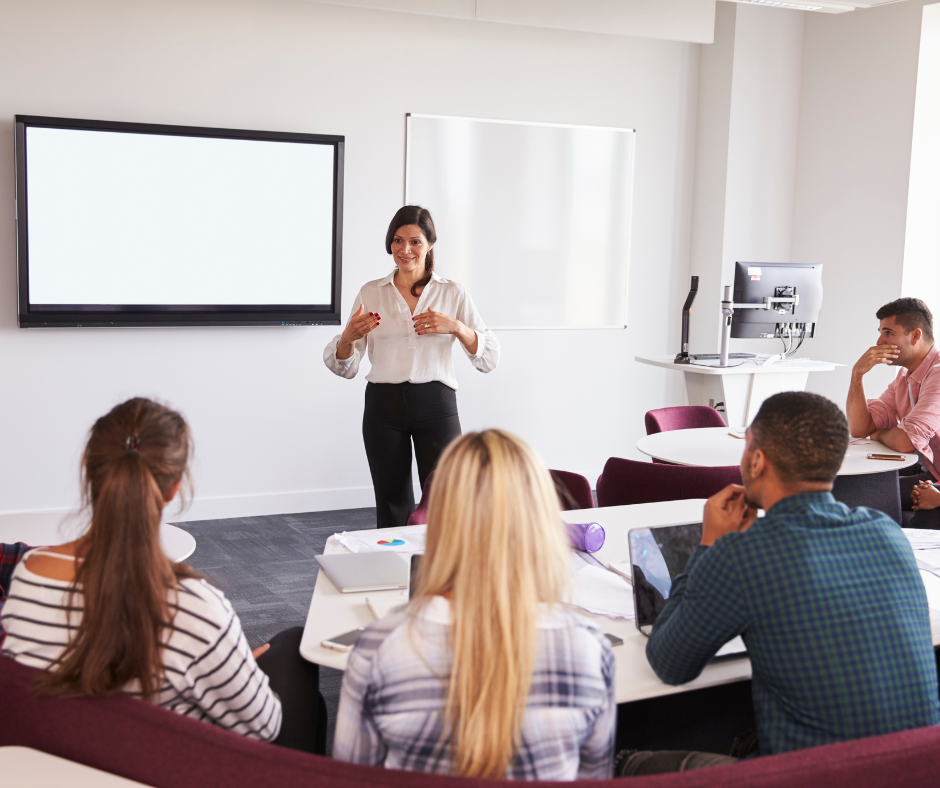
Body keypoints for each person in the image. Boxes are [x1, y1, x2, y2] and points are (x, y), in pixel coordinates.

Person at [619, 391, 940, 775]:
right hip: (917, 768)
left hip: (811, 776)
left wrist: (710, 546)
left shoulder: (742, 554)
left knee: (628, 757)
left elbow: (669, 664)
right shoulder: (886, 533)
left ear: (756, 460)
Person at [1, 398, 325, 754]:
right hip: (163, 765)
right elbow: (264, 727)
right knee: (295, 647)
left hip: (58, 759)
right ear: (174, 488)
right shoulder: (195, 606)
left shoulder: (28, 574)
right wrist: (235, 662)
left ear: (88, 470)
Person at [333, 430, 616, 780]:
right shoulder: (590, 649)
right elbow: (593, 777)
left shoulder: (379, 648)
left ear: (439, 523)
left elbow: (352, 779)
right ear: (542, 522)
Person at [323, 205, 499, 529]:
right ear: (390, 244)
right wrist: (347, 338)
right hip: (383, 407)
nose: (405, 250)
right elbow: (345, 365)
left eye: (415, 241)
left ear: (430, 244)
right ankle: (396, 574)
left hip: (436, 404)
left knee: (447, 500)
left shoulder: (452, 292)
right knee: (392, 505)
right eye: (398, 241)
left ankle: (446, 576)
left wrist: (456, 327)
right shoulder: (370, 292)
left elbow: (489, 358)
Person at [846, 297, 940, 521]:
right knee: (852, 487)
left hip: (933, 477)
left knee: (862, 495)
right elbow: (860, 427)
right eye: (880, 332)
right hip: (931, 472)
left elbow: (904, 442)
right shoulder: (904, 377)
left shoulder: (938, 373)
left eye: (888, 332)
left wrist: (879, 433)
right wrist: (857, 375)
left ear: (915, 335)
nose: (879, 341)